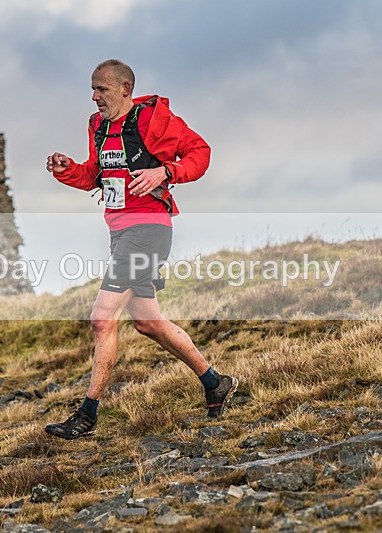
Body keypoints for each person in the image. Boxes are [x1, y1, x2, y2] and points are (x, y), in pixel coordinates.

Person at [44, 59, 237, 440]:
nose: (95, 96)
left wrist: (166, 172)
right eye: (93, 89)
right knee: (148, 323)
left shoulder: (153, 120)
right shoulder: (97, 126)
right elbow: (95, 176)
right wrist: (66, 169)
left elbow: (200, 152)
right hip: (120, 233)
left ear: (125, 88)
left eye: (102, 89)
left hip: (148, 229)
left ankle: (87, 414)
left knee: (102, 319)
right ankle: (215, 382)